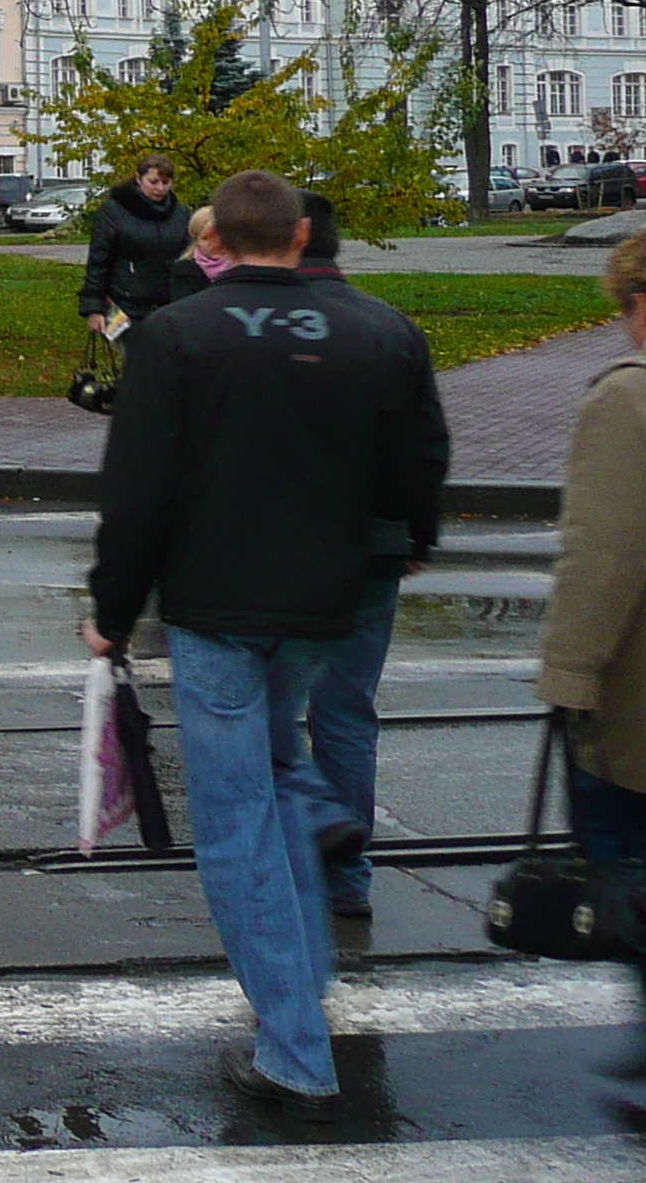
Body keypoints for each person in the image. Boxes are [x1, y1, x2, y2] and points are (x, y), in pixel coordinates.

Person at [86, 169, 446, 1114]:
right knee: (282, 770)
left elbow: (136, 492)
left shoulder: (175, 337)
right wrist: (412, 543)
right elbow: (420, 462)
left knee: (237, 818)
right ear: (297, 239)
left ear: (215, 244)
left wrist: (111, 612)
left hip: (214, 609)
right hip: (323, 600)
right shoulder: (381, 331)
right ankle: (314, 873)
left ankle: (294, 1046)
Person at [276, 191, 431, 921]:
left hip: (283, 553)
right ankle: (349, 878)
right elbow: (426, 446)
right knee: (346, 711)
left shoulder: (259, 328)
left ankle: (303, 838)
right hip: (374, 547)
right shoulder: (391, 328)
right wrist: (415, 534)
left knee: (263, 709)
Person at [541, 225, 646, 1122]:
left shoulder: (628, 403)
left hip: (637, 703)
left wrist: (568, 675)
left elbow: (604, 557)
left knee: (623, 871)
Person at [81, 153, 191, 335]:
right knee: (133, 359)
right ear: (139, 179)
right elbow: (98, 261)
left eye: (166, 183)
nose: (160, 188)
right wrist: (94, 308)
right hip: (122, 305)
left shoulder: (181, 213)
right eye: (154, 182)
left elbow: (188, 258)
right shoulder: (113, 211)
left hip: (169, 305)